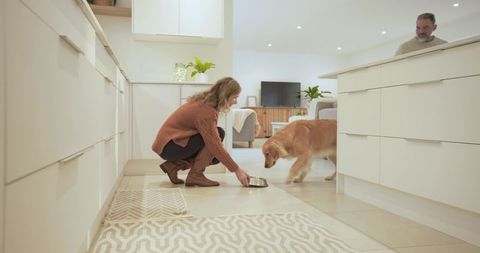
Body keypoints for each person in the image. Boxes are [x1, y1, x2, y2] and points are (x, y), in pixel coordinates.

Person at [152, 77, 250, 187]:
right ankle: (196, 175)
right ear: (225, 95)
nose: (236, 101)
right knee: (218, 138)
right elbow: (214, 145)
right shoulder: (206, 111)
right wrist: (237, 170)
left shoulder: (205, 102)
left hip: (170, 144)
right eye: (235, 97)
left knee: (216, 150)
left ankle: (173, 166)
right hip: (170, 146)